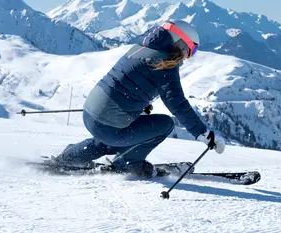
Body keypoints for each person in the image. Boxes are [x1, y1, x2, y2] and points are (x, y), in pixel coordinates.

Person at [49, 20, 226, 178]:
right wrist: (204, 134)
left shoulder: (141, 48)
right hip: (109, 124)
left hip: (91, 114)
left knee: (108, 140)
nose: (188, 56)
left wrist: (139, 103)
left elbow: (127, 80)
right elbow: (177, 102)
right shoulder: (163, 62)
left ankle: (69, 157)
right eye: (191, 49)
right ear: (179, 41)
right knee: (165, 125)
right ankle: (127, 163)